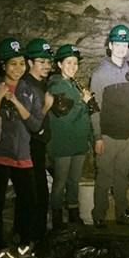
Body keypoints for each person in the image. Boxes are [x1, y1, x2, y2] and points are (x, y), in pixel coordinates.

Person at [0, 38, 44, 248]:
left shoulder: (30, 91)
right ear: (3, 65)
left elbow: (35, 126)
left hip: (22, 155)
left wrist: (16, 102)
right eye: (13, 63)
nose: (18, 68)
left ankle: (22, 240)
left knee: (29, 201)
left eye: (21, 63)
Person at [89, 24, 129, 228]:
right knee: (104, 176)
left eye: (124, 44)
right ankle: (99, 215)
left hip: (127, 135)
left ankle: (122, 212)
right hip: (108, 135)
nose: (121, 47)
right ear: (110, 45)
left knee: (122, 176)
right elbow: (94, 108)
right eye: (117, 43)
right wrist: (97, 136)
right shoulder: (99, 74)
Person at [47, 44, 94, 231]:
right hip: (63, 143)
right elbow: (65, 117)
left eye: (75, 63)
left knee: (74, 180)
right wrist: (84, 102)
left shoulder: (72, 83)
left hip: (77, 142)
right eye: (68, 62)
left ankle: (73, 212)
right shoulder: (57, 84)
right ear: (59, 64)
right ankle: (57, 216)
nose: (73, 66)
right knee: (60, 182)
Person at [22, 38, 55, 238]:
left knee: (40, 192)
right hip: (30, 145)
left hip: (38, 144)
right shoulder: (26, 87)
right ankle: (34, 237)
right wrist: (46, 106)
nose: (46, 66)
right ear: (30, 63)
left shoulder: (40, 85)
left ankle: (37, 234)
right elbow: (29, 122)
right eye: (41, 61)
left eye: (48, 62)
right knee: (36, 193)